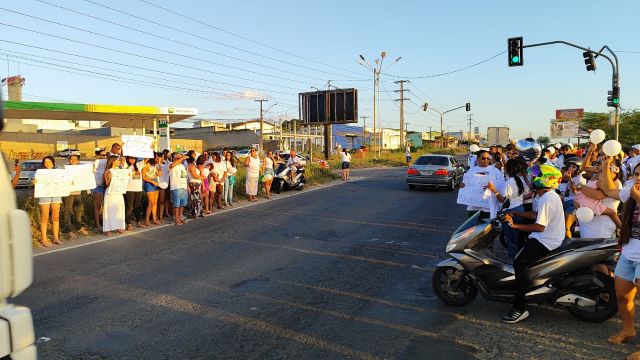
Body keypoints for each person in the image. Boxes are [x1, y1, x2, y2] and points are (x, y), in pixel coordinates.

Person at [502, 164, 565, 323]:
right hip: (547, 237)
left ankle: (519, 307)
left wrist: (515, 225)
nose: (531, 179)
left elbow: (540, 226)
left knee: (518, 263)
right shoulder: (544, 195)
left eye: (535, 177)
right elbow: (536, 214)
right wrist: (515, 212)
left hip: (546, 240)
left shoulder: (547, 198)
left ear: (544, 180)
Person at [487, 159, 529, 260]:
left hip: (511, 212)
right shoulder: (520, 180)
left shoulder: (510, 182)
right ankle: (518, 259)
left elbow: (504, 200)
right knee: (517, 238)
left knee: (511, 240)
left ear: (508, 169)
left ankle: (513, 262)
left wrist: (494, 191)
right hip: (520, 210)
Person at [459, 150, 503, 218]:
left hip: (488, 205)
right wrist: (462, 185)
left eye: (488, 158)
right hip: (473, 205)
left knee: (487, 227)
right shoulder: (471, 170)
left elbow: (502, 185)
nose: (486, 160)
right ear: (477, 159)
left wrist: (493, 188)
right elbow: (465, 184)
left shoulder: (495, 171)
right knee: (471, 227)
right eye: (483, 158)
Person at [35, 156, 62, 247]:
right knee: (45, 217)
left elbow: (65, 180)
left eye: (49, 162)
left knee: (56, 217)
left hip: (56, 194)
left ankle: (56, 238)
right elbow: (34, 181)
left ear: (53, 163)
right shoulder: (40, 173)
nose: (47, 164)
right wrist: (34, 182)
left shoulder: (58, 172)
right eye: (45, 162)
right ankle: (44, 239)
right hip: (44, 195)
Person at [62, 155, 87, 238]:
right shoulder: (66, 169)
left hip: (77, 191)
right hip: (68, 192)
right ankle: (68, 229)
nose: (73, 160)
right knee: (68, 209)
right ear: (69, 160)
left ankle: (78, 226)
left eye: (75, 159)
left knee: (78, 209)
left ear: (78, 161)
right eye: (71, 159)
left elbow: (85, 178)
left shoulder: (80, 169)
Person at [103, 155, 126, 236]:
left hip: (119, 191)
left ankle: (119, 226)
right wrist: (110, 178)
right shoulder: (108, 171)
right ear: (113, 161)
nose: (119, 161)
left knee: (119, 209)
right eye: (118, 160)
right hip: (110, 192)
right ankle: (108, 229)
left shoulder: (121, 170)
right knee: (109, 210)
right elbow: (107, 184)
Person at [124, 156, 144, 230]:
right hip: (129, 189)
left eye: (134, 158)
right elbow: (122, 158)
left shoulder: (139, 165)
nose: (132, 160)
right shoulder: (125, 165)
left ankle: (138, 222)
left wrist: (150, 148)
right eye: (130, 158)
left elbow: (147, 158)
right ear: (127, 159)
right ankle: (128, 223)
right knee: (129, 207)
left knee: (137, 206)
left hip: (138, 189)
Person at [169, 153, 188, 225]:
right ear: (174, 158)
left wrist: (187, 187)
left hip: (183, 187)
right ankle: (176, 218)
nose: (182, 159)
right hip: (176, 187)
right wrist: (182, 158)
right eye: (179, 158)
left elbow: (184, 177)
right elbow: (172, 165)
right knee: (176, 204)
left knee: (182, 204)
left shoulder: (182, 166)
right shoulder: (171, 164)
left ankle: (180, 217)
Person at [142, 156, 162, 226]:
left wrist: (159, 164)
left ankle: (154, 218)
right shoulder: (147, 164)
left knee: (155, 203)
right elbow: (143, 177)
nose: (157, 159)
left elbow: (159, 174)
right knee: (151, 202)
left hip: (155, 182)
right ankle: (146, 220)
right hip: (148, 183)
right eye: (157, 158)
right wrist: (151, 181)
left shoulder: (155, 165)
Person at [92, 148, 108, 232]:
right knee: (97, 206)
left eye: (106, 155)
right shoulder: (94, 164)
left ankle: (106, 223)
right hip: (97, 186)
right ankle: (98, 225)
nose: (105, 157)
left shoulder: (108, 163)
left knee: (106, 206)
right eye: (103, 155)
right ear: (98, 156)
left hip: (106, 186)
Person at [157, 151, 171, 222]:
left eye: (162, 156)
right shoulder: (157, 164)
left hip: (167, 183)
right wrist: (159, 163)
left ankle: (166, 212)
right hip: (160, 184)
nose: (161, 157)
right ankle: (160, 216)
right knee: (161, 201)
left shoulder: (168, 163)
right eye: (160, 156)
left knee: (166, 199)